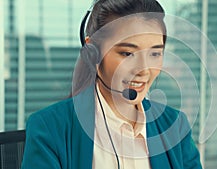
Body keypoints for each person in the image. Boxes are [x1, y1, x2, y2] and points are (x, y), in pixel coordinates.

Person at [21, 0, 202, 169]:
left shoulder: (175, 126)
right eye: (127, 53)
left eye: (154, 54)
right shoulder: (49, 127)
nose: (143, 70)